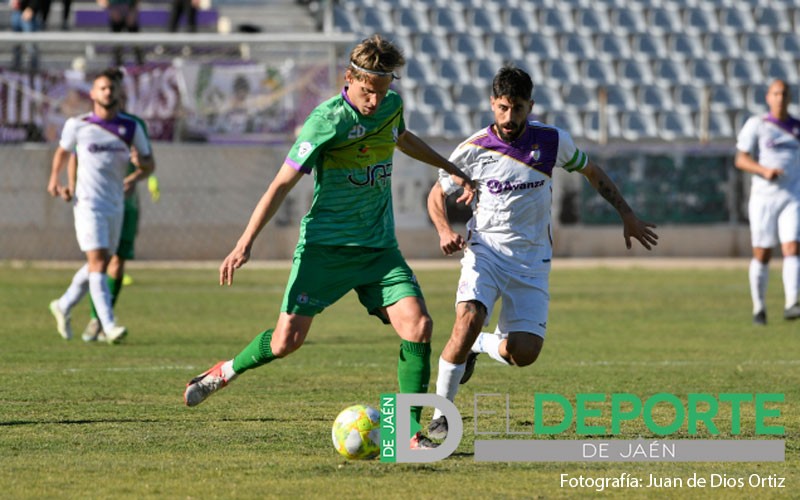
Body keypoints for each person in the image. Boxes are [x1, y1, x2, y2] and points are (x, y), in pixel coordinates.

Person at [182, 35, 475, 447]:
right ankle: (223, 372)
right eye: (367, 91)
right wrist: (245, 241)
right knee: (286, 342)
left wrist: (451, 168)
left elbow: (402, 138)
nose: (374, 101)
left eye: (382, 91)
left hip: (378, 250)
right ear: (349, 78)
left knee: (420, 325)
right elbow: (281, 183)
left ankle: (407, 434)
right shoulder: (327, 120)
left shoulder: (391, 108)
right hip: (325, 249)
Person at [425, 65, 658, 439]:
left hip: (531, 262)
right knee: (467, 318)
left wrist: (626, 214)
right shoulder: (472, 150)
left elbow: (592, 172)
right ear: (492, 105)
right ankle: (442, 417)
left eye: (517, 108)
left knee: (524, 353)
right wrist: (443, 230)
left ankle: (479, 347)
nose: (509, 117)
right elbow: (437, 193)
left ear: (530, 106)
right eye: (502, 108)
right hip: (484, 251)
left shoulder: (551, 141)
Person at [47, 68, 155, 344]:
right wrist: (56, 181)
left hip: (116, 203)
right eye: (102, 88)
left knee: (102, 262)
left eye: (111, 88)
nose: (107, 92)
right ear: (93, 93)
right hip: (87, 203)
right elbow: (64, 152)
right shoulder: (78, 124)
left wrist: (136, 173)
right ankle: (107, 324)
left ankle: (64, 303)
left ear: (119, 92)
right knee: (98, 262)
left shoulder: (130, 127)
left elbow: (148, 163)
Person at [735, 79, 800, 325]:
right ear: (768, 97)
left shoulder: (796, 127)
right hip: (764, 198)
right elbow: (741, 159)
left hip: (792, 196)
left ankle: (792, 302)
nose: (780, 98)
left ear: (789, 98)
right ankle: (759, 308)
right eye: (776, 94)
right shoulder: (758, 125)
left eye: (784, 94)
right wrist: (764, 171)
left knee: (792, 247)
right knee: (762, 253)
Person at [97, 0, 144, 66]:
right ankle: (118, 67)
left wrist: (132, 12)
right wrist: (111, 10)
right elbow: (102, 2)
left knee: (136, 44)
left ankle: (140, 67)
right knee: (117, 46)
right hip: (115, 11)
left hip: (130, 11)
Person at [10, 0, 40, 73]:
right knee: (16, 44)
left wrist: (31, 8)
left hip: (28, 11)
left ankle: (33, 69)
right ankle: (16, 68)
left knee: (30, 44)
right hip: (16, 11)